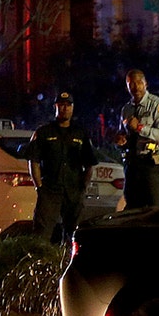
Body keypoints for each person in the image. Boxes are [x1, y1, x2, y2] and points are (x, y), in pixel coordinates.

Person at [26, 92, 98, 244]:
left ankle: (69, 264)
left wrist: (83, 188)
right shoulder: (44, 132)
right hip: (50, 191)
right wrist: (39, 187)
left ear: (72, 108)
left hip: (73, 191)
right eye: (61, 105)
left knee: (75, 236)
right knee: (41, 235)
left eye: (68, 105)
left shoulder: (81, 133)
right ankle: (40, 265)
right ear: (55, 107)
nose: (64, 108)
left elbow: (90, 163)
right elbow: (34, 161)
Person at [116, 69, 159, 208]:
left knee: (155, 209)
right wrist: (121, 142)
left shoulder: (158, 106)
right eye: (131, 84)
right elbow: (123, 135)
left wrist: (141, 128)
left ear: (145, 84)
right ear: (127, 87)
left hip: (151, 165)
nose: (136, 87)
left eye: (139, 83)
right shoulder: (126, 109)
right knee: (132, 209)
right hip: (132, 166)